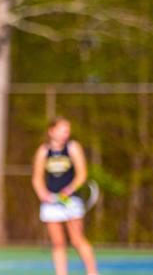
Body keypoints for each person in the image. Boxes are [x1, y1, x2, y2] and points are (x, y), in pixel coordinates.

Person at [32, 117, 99, 275]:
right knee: (58, 243)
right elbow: (37, 177)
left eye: (67, 131)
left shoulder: (73, 148)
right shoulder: (43, 151)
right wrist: (42, 193)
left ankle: (93, 272)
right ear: (52, 131)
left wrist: (69, 190)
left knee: (77, 240)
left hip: (70, 201)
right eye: (63, 130)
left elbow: (82, 174)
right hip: (51, 203)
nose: (66, 134)